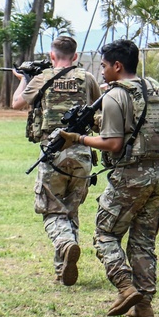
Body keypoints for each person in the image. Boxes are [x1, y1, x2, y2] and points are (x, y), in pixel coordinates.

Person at [59, 39, 159, 317]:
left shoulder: (114, 96)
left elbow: (113, 144)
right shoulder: (152, 88)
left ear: (117, 66)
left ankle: (125, 286)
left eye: (104, 65)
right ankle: (144, 306)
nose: (101, 71)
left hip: (130, 176)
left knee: (105, 234)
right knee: (143, 241)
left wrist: (78, 138)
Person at [12, 36, 101, 286]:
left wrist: (24, 80)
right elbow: (98, 108)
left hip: (53, 153)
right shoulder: (87, 78)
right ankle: (62, 268)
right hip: (83, 152)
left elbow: (16, 103)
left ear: (52, 56)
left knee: (52, 210)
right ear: (75, 56)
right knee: (70, 210)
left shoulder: (41, 79)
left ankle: (64, 244)